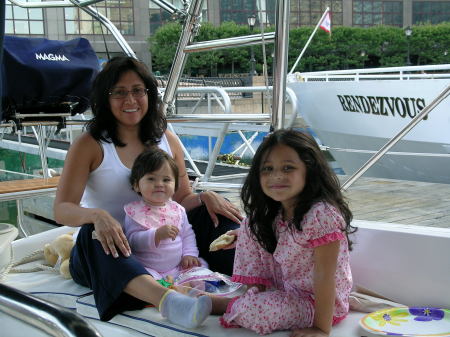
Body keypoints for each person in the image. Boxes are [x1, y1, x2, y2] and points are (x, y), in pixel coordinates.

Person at [53, 56, 242, 327]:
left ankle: (254, 279)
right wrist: (97, 216)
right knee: (92, 234)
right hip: (111, 252)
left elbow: (181, 199)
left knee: (213, 214)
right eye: (119, 92)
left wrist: (204, 197)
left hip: (165, 249)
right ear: (105, 99)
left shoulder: (164, 137)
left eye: (137, 90)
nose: (130, 100)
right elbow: (62, 209)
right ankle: (170, 301)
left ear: (149, 94)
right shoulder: (90, 144)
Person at [207, 129, 355, 336]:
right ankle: (253, 294)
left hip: (315, 303)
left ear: (309, 170)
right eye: (267, 169)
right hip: (285, 290)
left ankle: (225, 304)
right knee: (251, 225)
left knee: (256, 310)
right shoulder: (275, 213)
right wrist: (244, 236)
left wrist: (321, 328)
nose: (277, 176)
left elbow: (324, 275)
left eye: (288, 168)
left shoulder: (321, 214)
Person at [124, 147, 206, 281]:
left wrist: (189, 254)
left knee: (199, 270)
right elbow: (132, 241)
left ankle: (191, 291)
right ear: (136, 185)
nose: (159, 184)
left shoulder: (177, 210)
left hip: (177, 267)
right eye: (151, 179)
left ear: (175, 185)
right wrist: (155, 235)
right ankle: (166, 293)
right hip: (148, 269)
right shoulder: (134, 212)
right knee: (142, 280)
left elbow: (187, 235)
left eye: (166, 180)